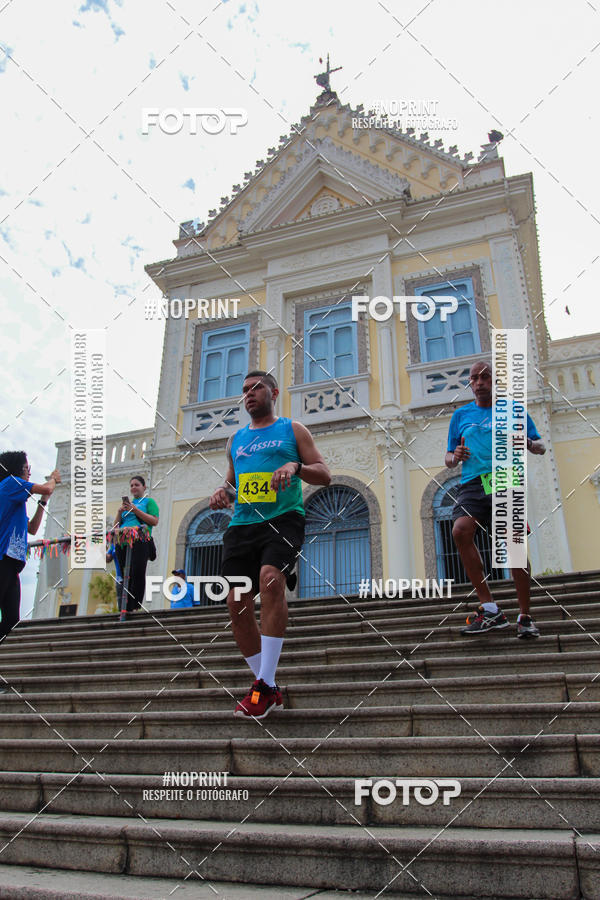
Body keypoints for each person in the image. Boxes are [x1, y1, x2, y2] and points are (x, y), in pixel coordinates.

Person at [209, 371, 331, 719]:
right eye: (244, 390)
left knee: (270, 579)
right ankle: (267, 684)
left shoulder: (293, 430)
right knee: (236, 601)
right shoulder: (235, 440)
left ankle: (261, 686)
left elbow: (325, 474)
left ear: (273, 393)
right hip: (242, 525)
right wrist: (222, 492)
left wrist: (295, 466)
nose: (248, 394)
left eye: (256, 388)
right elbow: (232, 482)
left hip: (283, 519)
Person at [445, 360, 546, 638]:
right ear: (470, 383)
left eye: (485, 377)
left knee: (514, 546)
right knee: (460, 531)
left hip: (505, 478)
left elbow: (540, 446)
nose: (479, 382)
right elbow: (449, 458)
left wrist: (528, 443)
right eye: (474, 378)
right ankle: (490, 609)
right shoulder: (461, 415)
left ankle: (524, 616)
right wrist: (455, 456)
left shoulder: (513, 410)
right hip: (472, 482)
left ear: (494, 380)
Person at [0, 451, 61, 644]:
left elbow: (33, 528)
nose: (29, 473)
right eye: (27, 468)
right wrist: (53, 479)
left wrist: (43, 502)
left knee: (11, 620)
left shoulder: (15, 500)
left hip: (13, 565)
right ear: (16, 469)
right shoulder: (11, 483)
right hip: (3, 559)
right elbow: (47, 488)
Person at [113, 475, 159, 621]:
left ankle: (134, 605)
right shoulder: (127, 505)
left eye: (137, 485)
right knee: (124, 574)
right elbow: (115, 527)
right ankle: (124, 606)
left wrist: (135, 510)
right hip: (123, 541)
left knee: (137, 571)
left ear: (144, 487)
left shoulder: (148, 502)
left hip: (140, 539)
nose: (133, 487)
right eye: (132, 485)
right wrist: (119, 512)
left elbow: (154, 521)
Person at [106, 543, 123, 612]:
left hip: (130, 577)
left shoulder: (128, 541)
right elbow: (108, 559)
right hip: (119, 578)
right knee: (120, 603)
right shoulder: (113, 545)